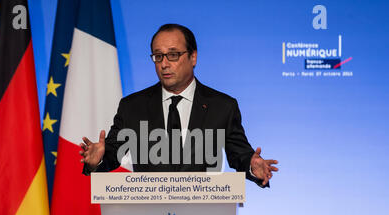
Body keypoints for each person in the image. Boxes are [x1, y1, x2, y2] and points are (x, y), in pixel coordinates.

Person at [80, 24, 278, 187]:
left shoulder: (222, 106)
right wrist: (97, 160)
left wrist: (253, 167)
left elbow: (240, 155)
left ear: (193, 57)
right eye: (158, 56)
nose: (164, 64)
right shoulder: (132, 106)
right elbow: (113, 154)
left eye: (173, 55)